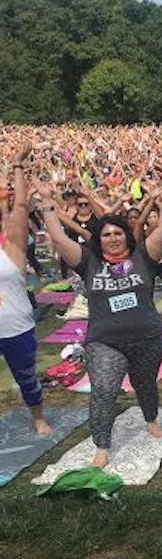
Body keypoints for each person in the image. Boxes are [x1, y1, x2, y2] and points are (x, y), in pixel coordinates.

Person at [37, 172, 162, 467]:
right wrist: (48, 204)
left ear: (126, 234)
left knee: (146, 383)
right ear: (98, 240)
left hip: (149, 339)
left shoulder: (143, 257)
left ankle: (150, 419)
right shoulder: (89, 262)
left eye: (117, 232)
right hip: (105, 342)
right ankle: (101, 447)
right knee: (103, 389)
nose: (113, 238)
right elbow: (59, 238)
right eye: (106, 234)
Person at [0, 144, 52, 434]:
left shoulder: (12, 248)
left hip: (16, 327)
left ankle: (38, 417)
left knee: (26, 377)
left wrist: (17, 166)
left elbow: (20, 207)